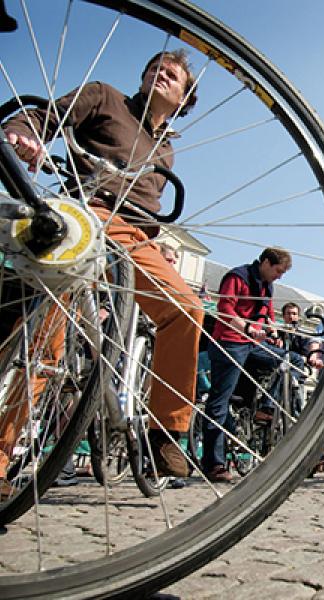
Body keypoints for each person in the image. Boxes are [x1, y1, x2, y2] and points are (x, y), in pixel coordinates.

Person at [0, 50, 203, 497]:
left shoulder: (167, 149)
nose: (159, 74)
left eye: (171, 74)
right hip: (86, 214)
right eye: (154, 68)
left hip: (135, 237)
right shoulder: (106, 98)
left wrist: (158, 246)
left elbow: (150, 211)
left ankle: (168, 432)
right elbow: (46, 115)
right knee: (45, 349)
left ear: (185, 97)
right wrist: (21, 133)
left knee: (185, 309)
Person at [202, 247, 291, 482]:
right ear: (265, 262)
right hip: (229, 342)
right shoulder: (237, 277)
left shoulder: (266, 286)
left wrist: (273, 329)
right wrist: (248, 328)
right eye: (278, 271)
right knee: (218, 404)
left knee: (289, 360)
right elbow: (225, 310)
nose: (280, 276)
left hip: (251, 344)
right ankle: (214, 464)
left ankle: (266, 408)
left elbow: (267, 313)